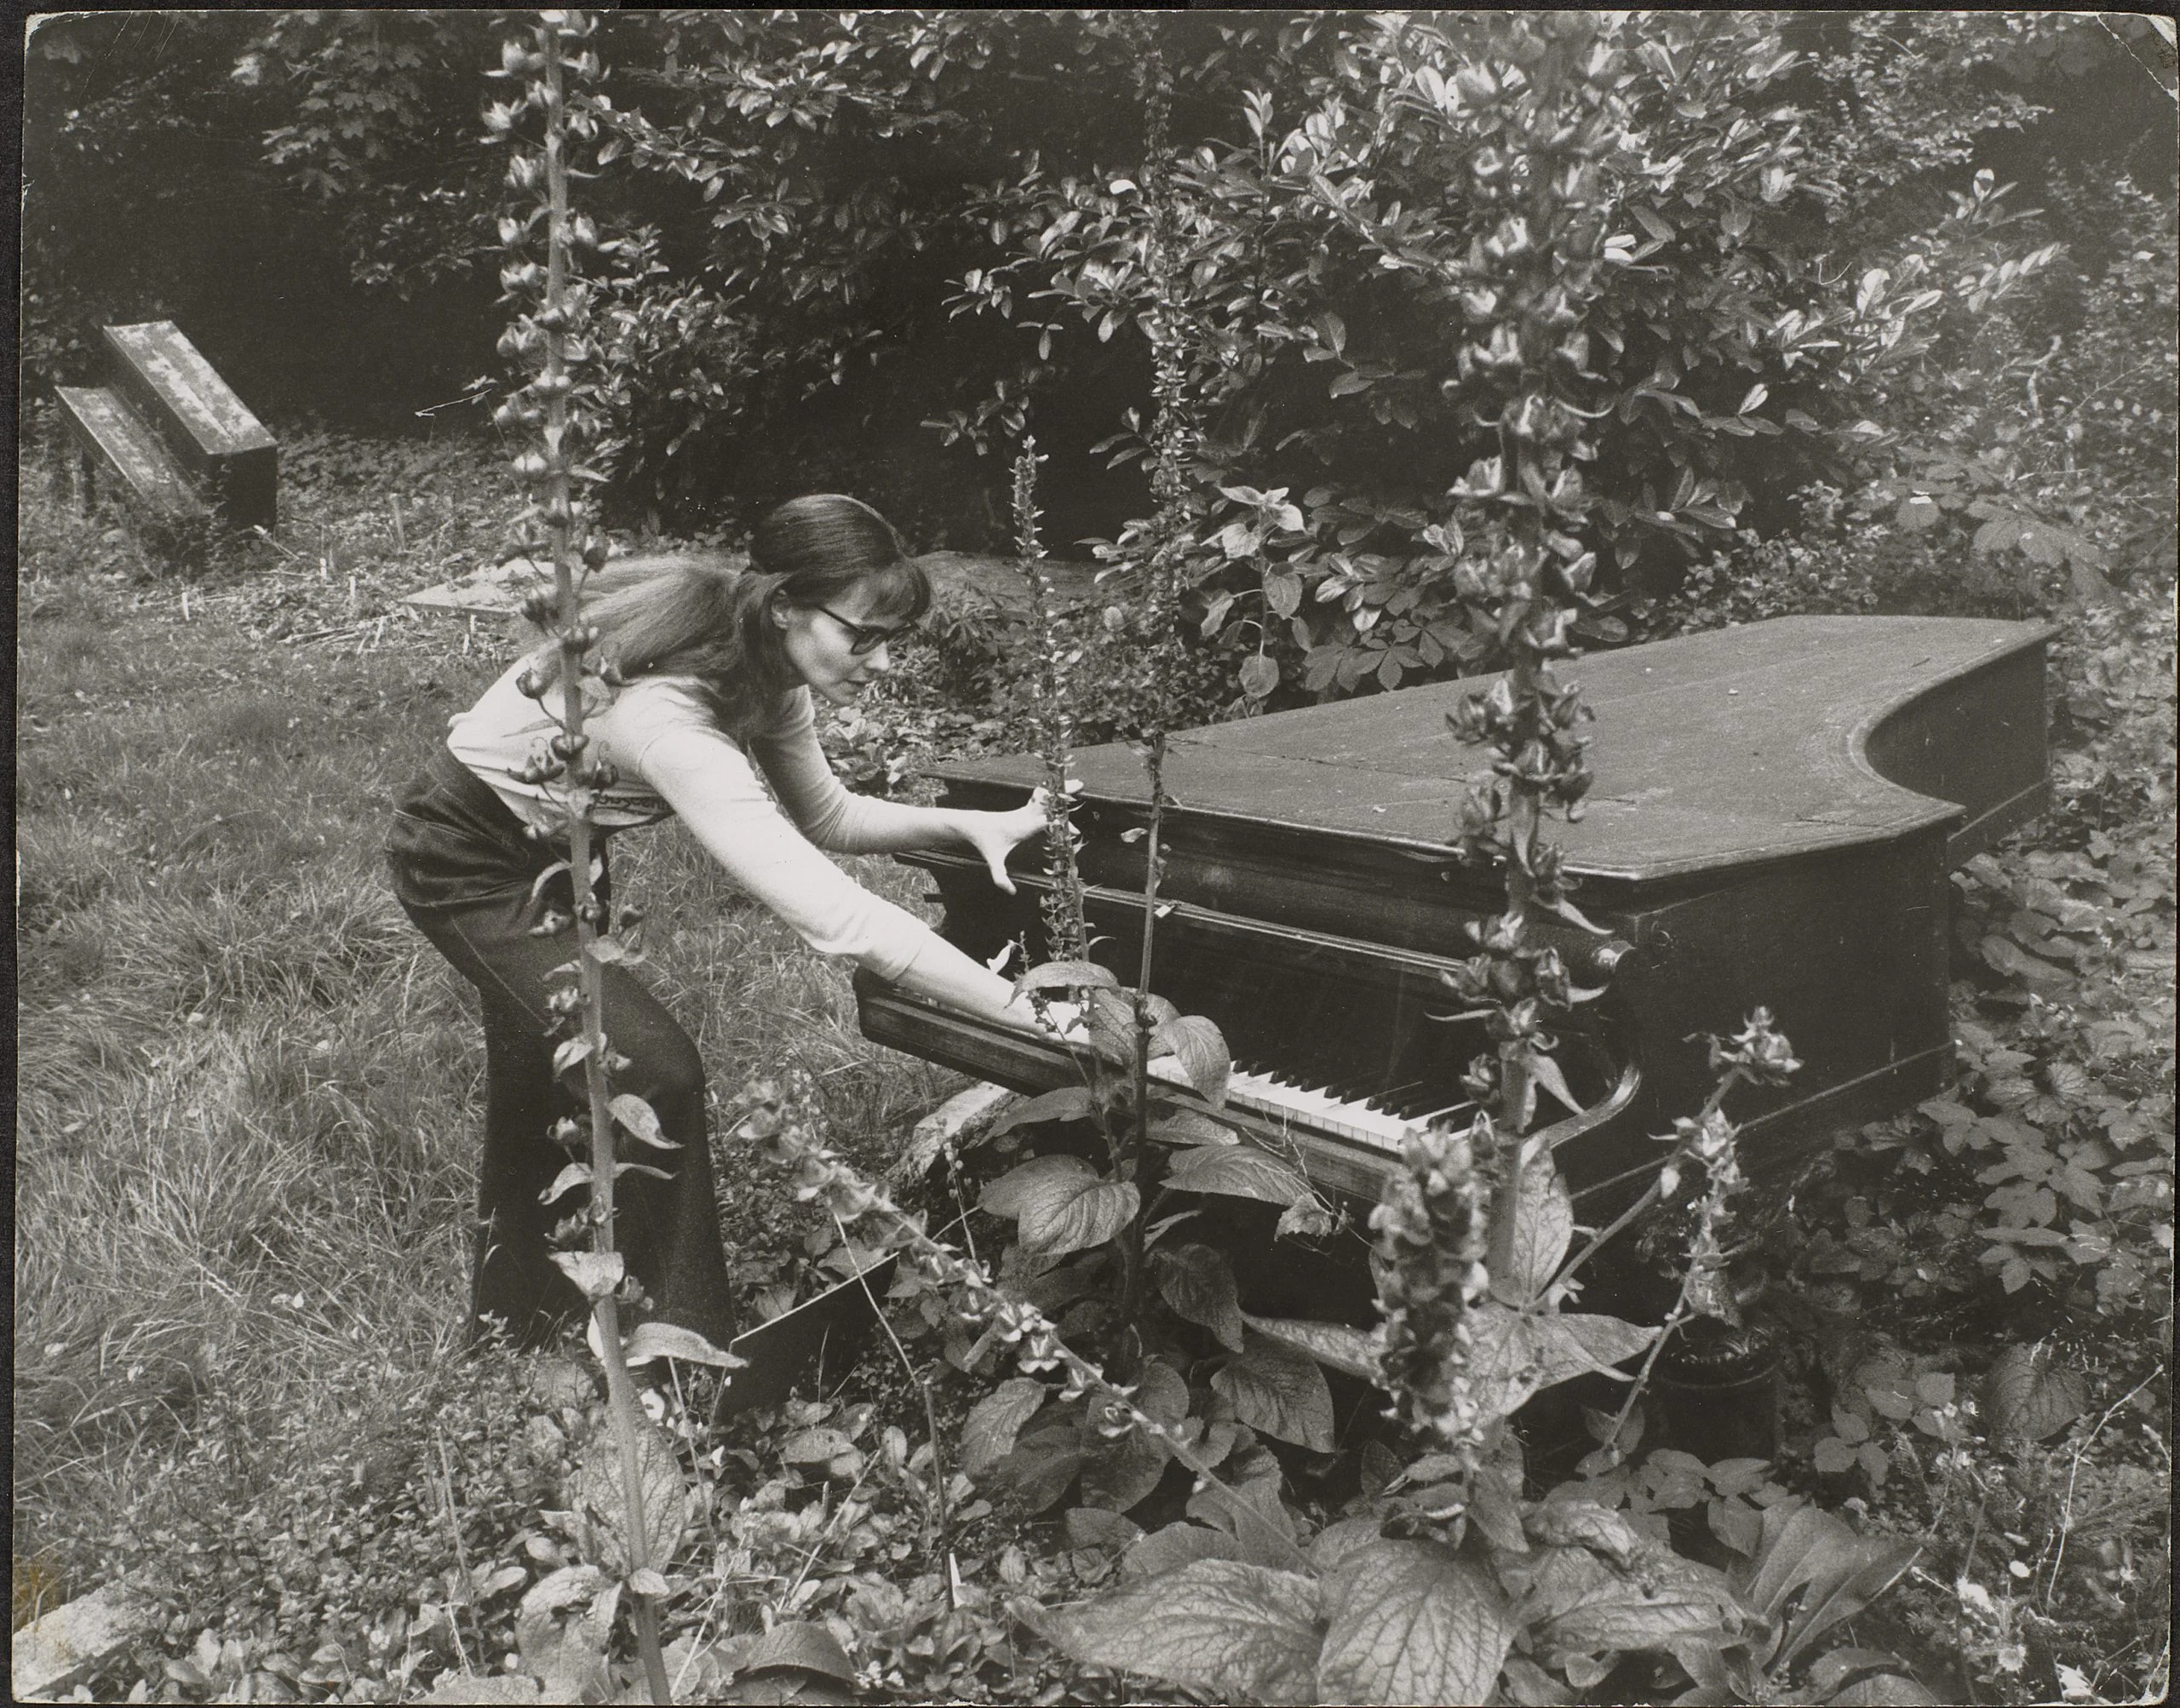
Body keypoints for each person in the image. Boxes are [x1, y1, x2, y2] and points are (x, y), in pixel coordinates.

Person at [386, 494, 1046, 1352]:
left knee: (544, 1073)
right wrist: (1032, 1015)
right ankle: (682, 1366)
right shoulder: (669, 716)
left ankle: (513, 1325)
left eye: (894, 639)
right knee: (654, 1070)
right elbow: (839, 919)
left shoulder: (765, 667)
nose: (881, 662)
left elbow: (829, 816)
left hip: (564, 850)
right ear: (785, 606)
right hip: (465, 856)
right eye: (864, 635)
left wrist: (962, 825)